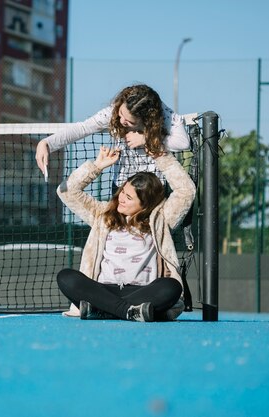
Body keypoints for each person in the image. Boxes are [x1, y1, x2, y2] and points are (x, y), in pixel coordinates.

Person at [55, 144, 196, 322]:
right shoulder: (103, 214)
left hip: (142, 292)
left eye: (129, 197)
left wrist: (160, 155)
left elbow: (186, 191)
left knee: (172, 287)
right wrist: (97, 166)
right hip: (102, 290)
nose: (121, 198)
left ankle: (104, 310)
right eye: (123, 191)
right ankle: (128, 312)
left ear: (145, 205)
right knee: (66, 277)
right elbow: (66, 191)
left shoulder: (162, 219)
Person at [36, 84, 190, 190]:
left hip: (153, 189)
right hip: (121, 187)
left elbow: (183, 143)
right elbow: (83, 128)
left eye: (129, 121)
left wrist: (145, 139)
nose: (122, 121)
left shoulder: (165, 115)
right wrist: (47, 143)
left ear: (147, 120)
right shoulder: (113, 113)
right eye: (121, 114)